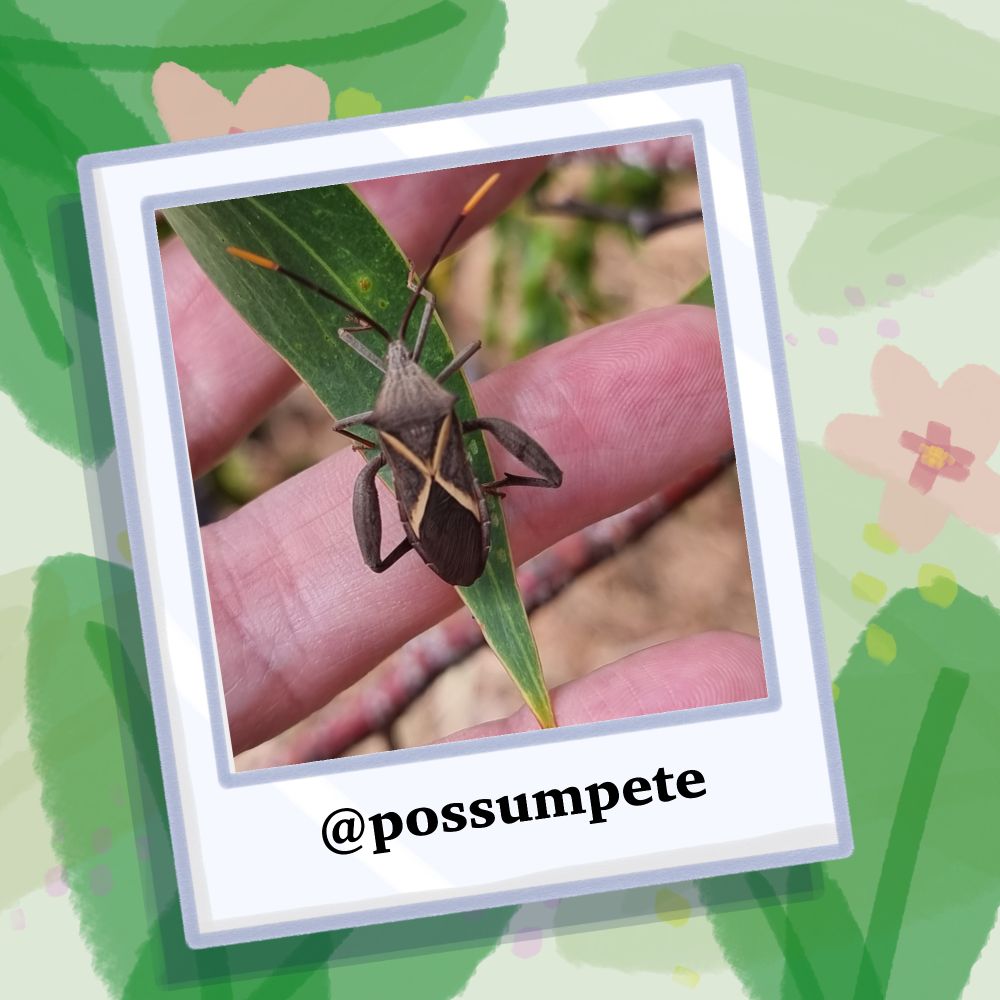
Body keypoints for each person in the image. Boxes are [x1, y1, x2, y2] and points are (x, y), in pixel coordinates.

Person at [163, 160, 764, 759]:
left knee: (373, 485)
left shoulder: (378, 423)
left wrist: (373, 444)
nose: (402, 353)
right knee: (454, 464)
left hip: (422, 496)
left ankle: (418, 479)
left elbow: (357, 414)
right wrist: (491, 477)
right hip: (450, 470)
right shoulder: (437, 387)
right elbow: (464, 345)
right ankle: (494, 478)